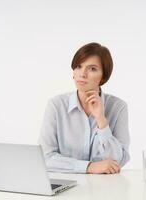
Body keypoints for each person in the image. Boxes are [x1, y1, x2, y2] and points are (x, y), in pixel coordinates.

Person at [38, 42, 130, 174]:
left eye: (92, 69)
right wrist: (89, 166)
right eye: (79, 67)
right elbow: (45, 158)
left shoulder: (118, 107)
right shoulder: (56, 105)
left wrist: (101, 120)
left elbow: (118, 160)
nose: (82, 74)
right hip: (66, 186)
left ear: (103, 76)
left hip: (105, 188)